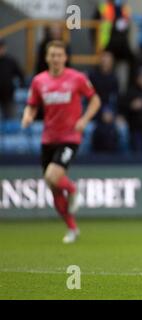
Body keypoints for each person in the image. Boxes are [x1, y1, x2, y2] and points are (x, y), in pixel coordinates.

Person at [21, 41, 101, 244]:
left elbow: (95, 100)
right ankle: (72, 228)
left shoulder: (77, 78)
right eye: (52, 55)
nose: (56, 58)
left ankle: (74, 190)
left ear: (65, 58)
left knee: (52, 175)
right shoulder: (39, 81)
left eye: (59, 55)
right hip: (48, 138)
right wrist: (27, 117)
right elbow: (31, 105)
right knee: (53, 186)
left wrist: (84, 120)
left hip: (70, 137)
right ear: (47, 58)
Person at [0, 38, 24, 119]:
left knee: (11, 118)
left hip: (8, 96)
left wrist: (21, 85)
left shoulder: (11, 61)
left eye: (1, 47)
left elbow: (20, 74)